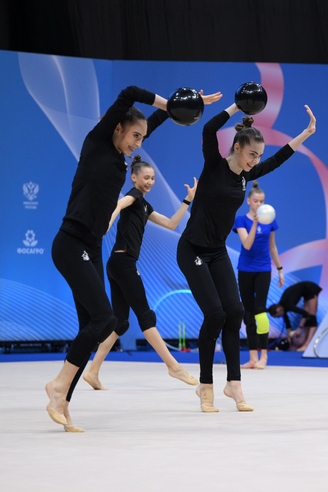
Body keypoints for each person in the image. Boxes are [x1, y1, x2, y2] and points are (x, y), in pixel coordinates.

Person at [45, 86, 222, 431]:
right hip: (70, 242)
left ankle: (63, 402)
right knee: (104, 318)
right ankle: (58, 387)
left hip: (93, 246)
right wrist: (170, 103)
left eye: (142, 137)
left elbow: (155, 121)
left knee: (95, 326)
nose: (139, 143)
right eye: (135, 136)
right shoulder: (97, 143)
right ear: (117, 128)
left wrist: (186, 107)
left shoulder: (121, 157)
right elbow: (128, 94)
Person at [177, 101, 316, 413]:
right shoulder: (214, 164)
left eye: (259, 156)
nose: (256, 161)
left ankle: (234, 383)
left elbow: (279, 158)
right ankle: (205, 385)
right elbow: (208, 128)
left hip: (216, 251)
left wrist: (305, 133)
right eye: (252, 154)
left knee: (236, 311)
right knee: (215, 314)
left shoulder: (245, 175)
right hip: (192, 249)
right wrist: (235, 107)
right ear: (237, 147)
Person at [82, 156, 199, 390]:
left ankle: (93, 371)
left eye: (153, 178)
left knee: (120, 322)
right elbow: (119, 204)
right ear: (134, 178)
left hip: (117, 263)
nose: (150, 182)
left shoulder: (144, 205)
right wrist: (106, 224)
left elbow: (170, 224)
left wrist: (187, 200)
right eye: (146, 177)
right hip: (124, 263)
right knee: (145, 317)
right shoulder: (134, 195)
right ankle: (173, 366)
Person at [234, 181, 284, 369]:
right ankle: (253, 358)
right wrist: (255, 223)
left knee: (260, 310)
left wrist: (280, 269)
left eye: (262, 201)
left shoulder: (270, 220)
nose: (259, 204)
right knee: (247, 312)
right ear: (249, 201)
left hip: (263, 269)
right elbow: (247, 244)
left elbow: (272, 247)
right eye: (256, 201)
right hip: (245, 269)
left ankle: (264, 356)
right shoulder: (241, 220)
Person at [267, 281, 322, 351]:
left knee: (312, 316)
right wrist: (289, 342)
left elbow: (305, 313)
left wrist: (299, 328)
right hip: (305, 292)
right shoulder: (283, 307)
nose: (279, 317)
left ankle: (307, 344)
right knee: (308, 318)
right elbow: (288, 325)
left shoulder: (288, 305)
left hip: (310, 288)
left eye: (278, 316)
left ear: (278, 310)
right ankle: (304, 343)